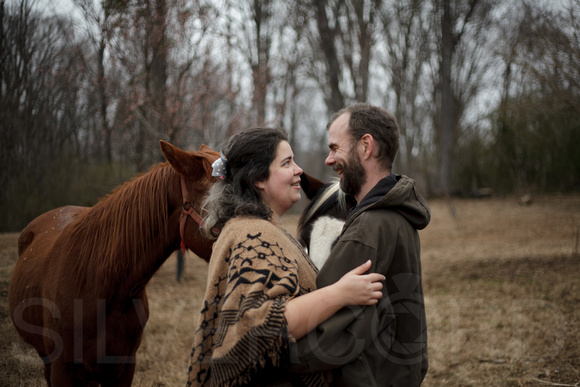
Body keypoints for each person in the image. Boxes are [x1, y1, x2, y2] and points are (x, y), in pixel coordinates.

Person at [186, 127, 385, 387]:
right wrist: (341, 294)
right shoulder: (252, 235)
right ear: (258, 178)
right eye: (287, 163)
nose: (299, 170)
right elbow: (259, 325)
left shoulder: (258, 228)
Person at [289, 103, 431, 386]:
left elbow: (327, 336)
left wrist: (265, 350)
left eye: (335, 148)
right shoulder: (398, 213)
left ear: (366, 146)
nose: (329, 160)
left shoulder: (367, 229)